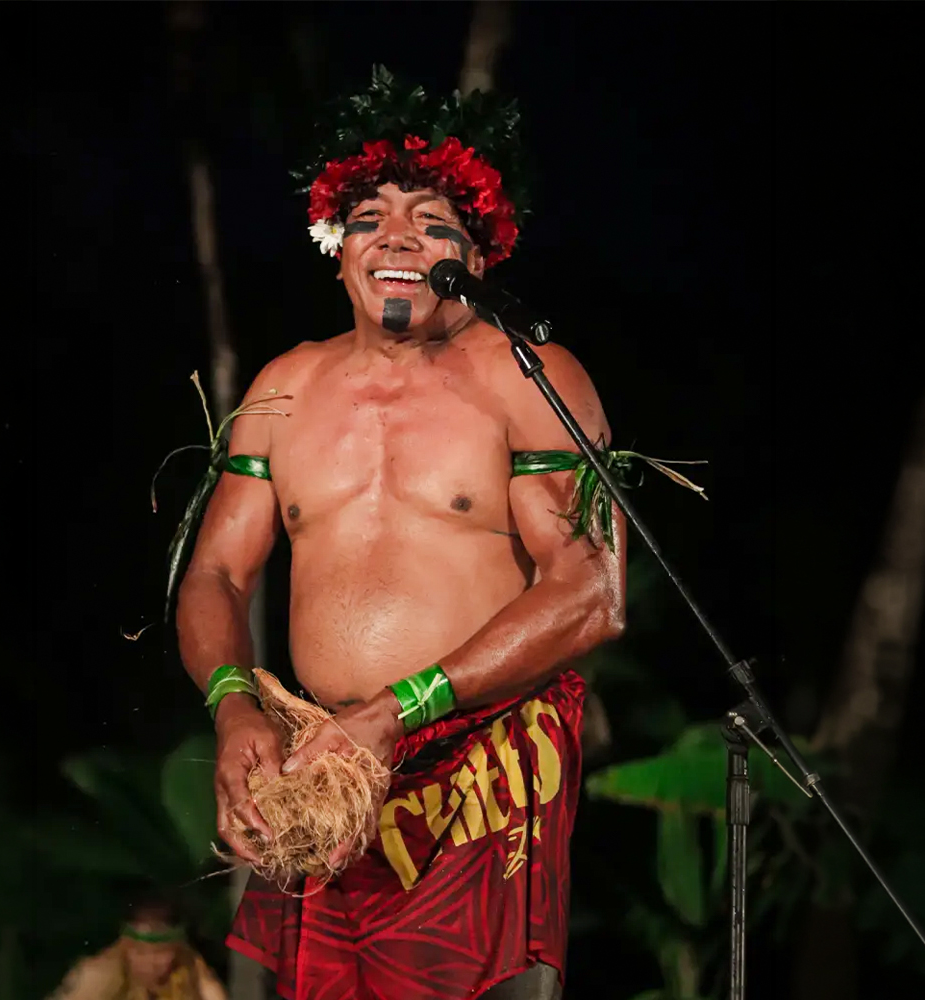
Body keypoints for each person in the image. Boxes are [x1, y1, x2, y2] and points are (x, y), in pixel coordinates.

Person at [170, 67, 641, 1000]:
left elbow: (592, 592)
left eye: (431, 222)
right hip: (329, 772)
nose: (396, 238)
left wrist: (397, 710)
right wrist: (233, 707)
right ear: (336, 246)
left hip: (478, 767)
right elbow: (216, 573)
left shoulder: (526, 374)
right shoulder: (285, 387)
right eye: (369, 219)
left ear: (477, 253)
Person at [48, 898, 227, 1000]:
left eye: (160, 952)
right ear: (125, 947)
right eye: (140, 951)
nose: (150, 962)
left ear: (176, 950)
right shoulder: (99, 974)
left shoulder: (192, 974)